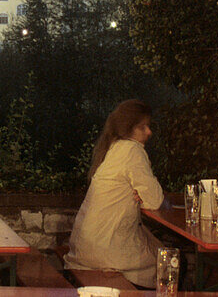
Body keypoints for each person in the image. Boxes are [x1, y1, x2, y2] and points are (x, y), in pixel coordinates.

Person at [64, 99, 165, 288]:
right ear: (129, 128)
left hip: (86, 247)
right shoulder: (132, 150)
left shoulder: (113, 148)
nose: (149, 132)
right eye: (143, 127)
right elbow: (155, 200)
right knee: (170, 262)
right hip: (106, 251)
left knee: (158, 250)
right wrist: (141, 194)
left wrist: (139, 194)